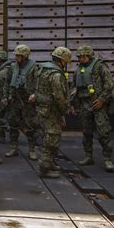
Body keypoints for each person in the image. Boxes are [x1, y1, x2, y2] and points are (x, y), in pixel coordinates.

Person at [73, 46, 114, 172]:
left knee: (103, 132)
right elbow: (75, 87)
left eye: (83, 56)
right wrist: (74, 104)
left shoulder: (100, 66)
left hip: (97, 103)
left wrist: (102, 99)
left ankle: (107, 159)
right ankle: (88, 156)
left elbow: (109, 84)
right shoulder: (79, 68)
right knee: (86, 132)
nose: (80, 59)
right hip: (84, 104)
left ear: (89, 55)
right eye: (79, 57)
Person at [33, 47, 71, 178]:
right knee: (51, 139)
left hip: (43, 109)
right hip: (51, 111)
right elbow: (59, 96)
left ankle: (49, 163)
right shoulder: (55, 74)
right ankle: (44, 168)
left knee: (51, 137)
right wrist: (64, 110)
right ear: (63, 61)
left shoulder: (42, 70)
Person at [4, 44, 41, 160]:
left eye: (18, 56)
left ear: (25, 56)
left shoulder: (34, 67)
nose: (16, 58)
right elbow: (7, 82)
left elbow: (39, 83)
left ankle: (32, 149)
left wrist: (35, 94)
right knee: (13, 125)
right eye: (16, 55)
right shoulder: (12, 67)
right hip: (15, 100)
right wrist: (5, 96)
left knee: (31, 126)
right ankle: (14, 148)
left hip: (28, 102)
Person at [0, 50, 12, 143]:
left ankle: (3, 133)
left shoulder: (3, 71)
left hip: (3, 97)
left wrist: (4, 97)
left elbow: (3, 86)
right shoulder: (2, 69)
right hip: (6, 97)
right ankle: (1, 136)